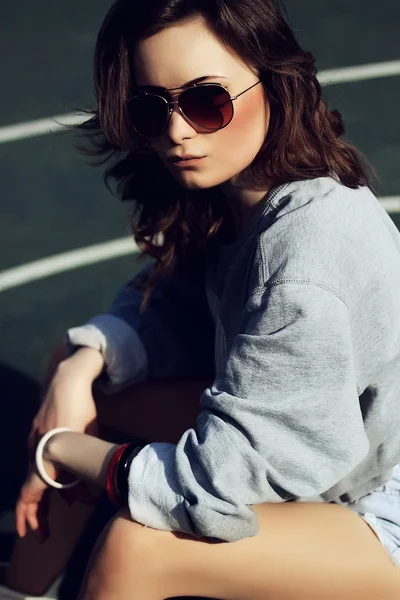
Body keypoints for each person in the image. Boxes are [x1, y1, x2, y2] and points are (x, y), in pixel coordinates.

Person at [2, 0, 400, 598]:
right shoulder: (234, 195)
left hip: (373, 501)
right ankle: (23, 589)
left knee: (137, 547)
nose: (177, 131)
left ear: (275, 83)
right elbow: (161, 310)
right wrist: (78, 368)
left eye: (207, 100)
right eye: (150, 107)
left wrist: (61, 449)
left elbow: (213, 490)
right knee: (78, 367)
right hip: (305, 454)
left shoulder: (308, 249)